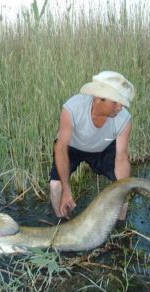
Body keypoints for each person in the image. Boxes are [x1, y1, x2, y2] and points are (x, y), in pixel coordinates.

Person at [49, 70, 135, 219]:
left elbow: (121, 157)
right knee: (55, 186)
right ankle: (61, 222)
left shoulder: (124, 119)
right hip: (72, 148)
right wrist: (66, 189)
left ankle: (120, 227)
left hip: (103, 148)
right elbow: (61, 147)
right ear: (98, 98)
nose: (120, 107)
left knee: (123, 188)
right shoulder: (72, 108)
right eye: (115, 102)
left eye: (122, 102)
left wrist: (123, 189)